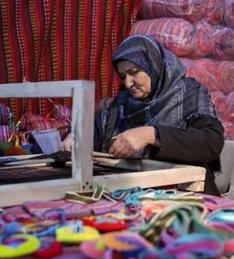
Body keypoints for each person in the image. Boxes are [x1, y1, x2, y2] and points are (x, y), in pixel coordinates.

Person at [62, 34, 224, 196]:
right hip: (134, 197)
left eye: (134, 72)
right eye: (123, 76)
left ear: (154, 65)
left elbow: (211, 142)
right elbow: (96, 130)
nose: (128, 83)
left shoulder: (188, 94)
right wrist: (76, 136)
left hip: (188, 197)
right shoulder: (122, 104)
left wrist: (152, 134)